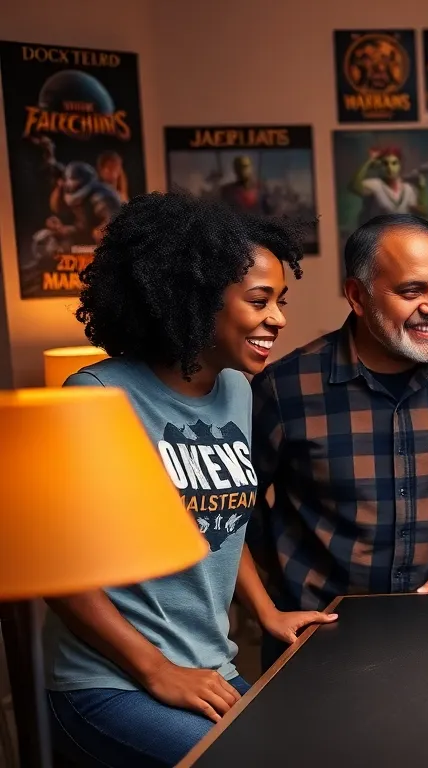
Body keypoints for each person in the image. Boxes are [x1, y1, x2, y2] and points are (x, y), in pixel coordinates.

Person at [43, 192, 323, 767]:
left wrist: (266, 612)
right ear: (196, 299)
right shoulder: (98, 396)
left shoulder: (236, 390)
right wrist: (157, 670)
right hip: (109, 680)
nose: (279, 318)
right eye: (259, 300)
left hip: (207, 666)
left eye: (281, 300)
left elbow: (220, 520)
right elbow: (60, 571)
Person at [248, 213, 428, 670]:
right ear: (357, 296)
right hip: (318, 645)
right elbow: (234, 505)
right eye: (412, 291)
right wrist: (282, 580)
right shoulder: (286, 389)